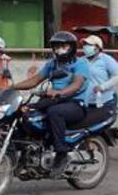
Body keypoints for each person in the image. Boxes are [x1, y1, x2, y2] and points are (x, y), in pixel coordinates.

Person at [9, 32, 90, 178]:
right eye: (56, 46)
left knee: (54, 112)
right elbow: (34, 81)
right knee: (24, 111)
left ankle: (61, 154)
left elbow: (77, 84)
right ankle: (25, 153)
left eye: (63, 46)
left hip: (75, 103)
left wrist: (61, 92)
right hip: (54, 100)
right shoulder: (52, 64)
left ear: (71, 47)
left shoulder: (80, 63)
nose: (59, 49)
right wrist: (12, 87)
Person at [80, 34, 118, 110]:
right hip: (85, 101)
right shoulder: (81, 60)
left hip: (104, 101)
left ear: (97, 47)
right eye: (85, 44)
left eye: (89, 45)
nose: (86, 47)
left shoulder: (106, 59)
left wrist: (103, 87)